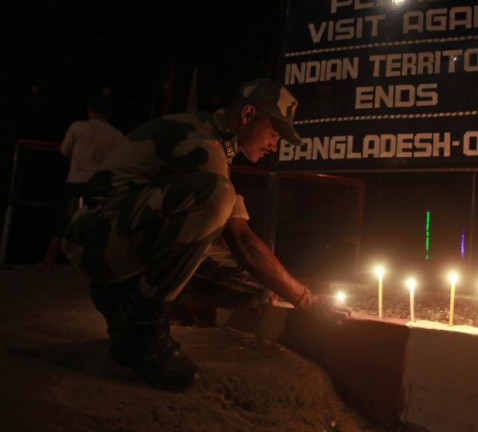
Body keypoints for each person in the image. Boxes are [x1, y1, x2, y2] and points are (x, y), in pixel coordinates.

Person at [62, 78, 351, 390]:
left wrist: (287, 289)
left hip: (119, 236)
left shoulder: (216, 141)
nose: (275, 144)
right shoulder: (201, 144)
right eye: (275, 132)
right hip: (93, 239)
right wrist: (306, 300)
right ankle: (143, 332)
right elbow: (241, 240)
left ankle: (121, 294)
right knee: (218, 195)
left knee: (254, 286)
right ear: (248, 114)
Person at [33, 90, 124, 272]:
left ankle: (48, 261)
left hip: (76, 181)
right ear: (109, 113)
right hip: (100, 183)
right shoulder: (117, 135)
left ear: (89, 110)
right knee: (97, 222)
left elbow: (64, 150)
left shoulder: (78, 127)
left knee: (64, 220)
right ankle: (96, 262)